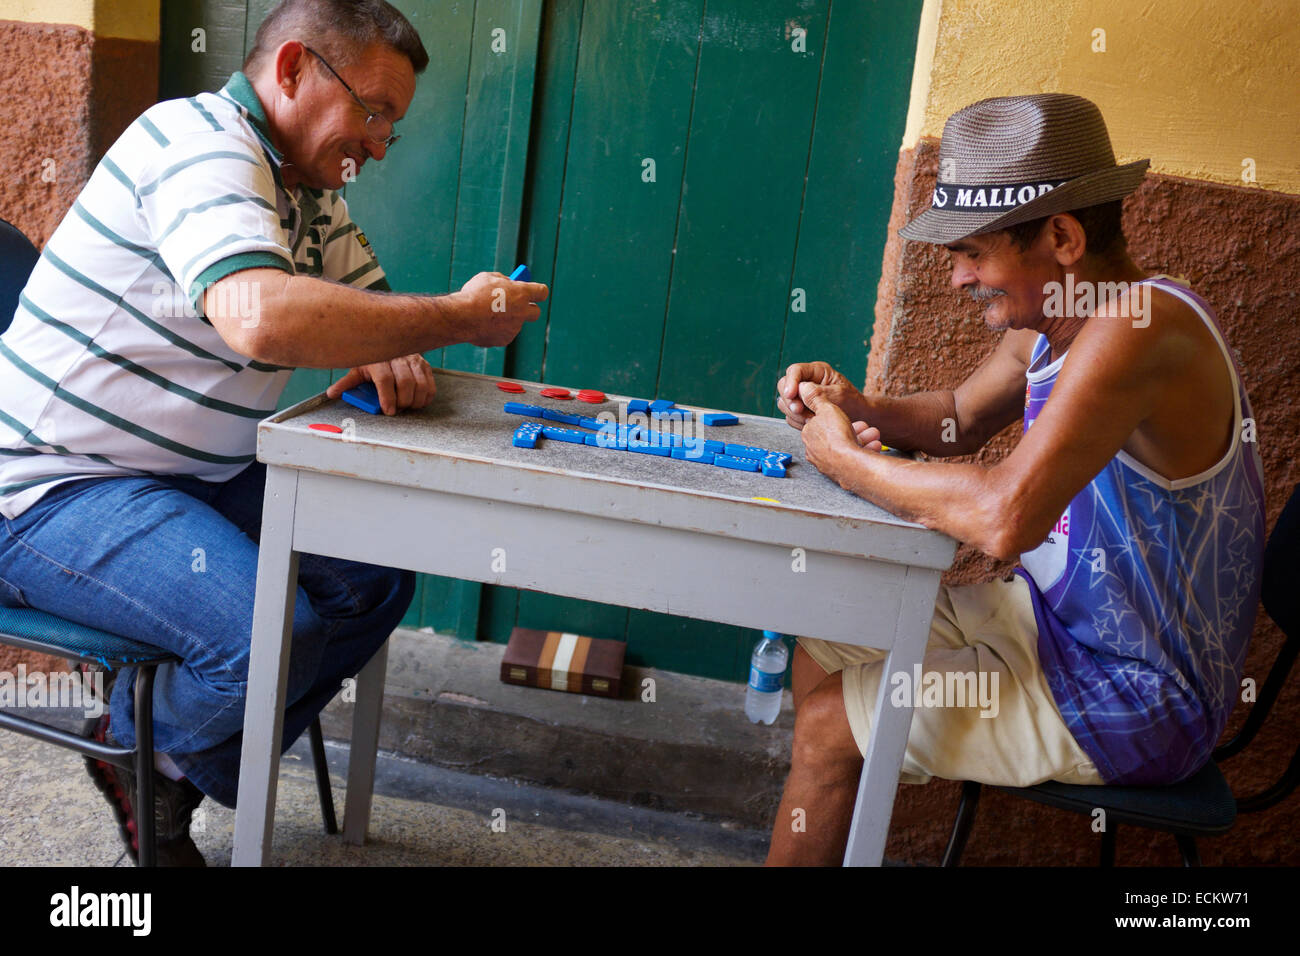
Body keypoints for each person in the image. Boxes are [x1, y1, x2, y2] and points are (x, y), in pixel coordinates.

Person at [0, 0, 547, 865]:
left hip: (190, 478)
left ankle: (164, 757)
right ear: (293, 69)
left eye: (391, 129)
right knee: (270, 633)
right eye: (372, 112)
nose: (375, 143)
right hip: (53, 487)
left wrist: (393, 339)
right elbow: (259, 317)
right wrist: (446, 317)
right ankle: (142, 745)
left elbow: (367, 319)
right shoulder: (200, 143)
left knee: (372, 579)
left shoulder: (307, 193)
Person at [767, 93, 1265, 866]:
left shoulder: (1138, 327)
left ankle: (837, 760)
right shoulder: (1053, 318)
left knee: (829, 724)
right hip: (1051, 628)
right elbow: (958, 418)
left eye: (972, 252)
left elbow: (1006, 518)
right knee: (829, 642)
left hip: (1136, 691)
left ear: (1062, 236)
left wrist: (846, 460)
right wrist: (857, 408)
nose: (960, 278)